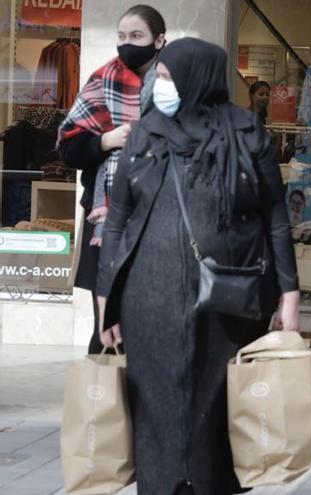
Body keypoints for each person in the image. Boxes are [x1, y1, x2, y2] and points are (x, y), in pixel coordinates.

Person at [94, 38, 302, 494]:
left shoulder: (245, 132)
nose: (158, 84)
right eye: (159, 75)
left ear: (197, 78)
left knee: (217, 413)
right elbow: (118, 221)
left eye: (167, 77)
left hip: (227, 300)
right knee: (156, 410)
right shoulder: (146, 133)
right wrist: (106, 299)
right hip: (149, 299)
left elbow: (275, 216)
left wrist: (289, 292)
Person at [58, 4, 166, 355]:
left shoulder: (174, 83)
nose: (127, 44)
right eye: (122, 36)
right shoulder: (102, 80)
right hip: (107, 217)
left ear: (159, 40)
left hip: (161, 215)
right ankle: (103, 404)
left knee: (153, 321)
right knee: (107, 326)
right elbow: (68, 148)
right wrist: (106, 140)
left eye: (137, 36)